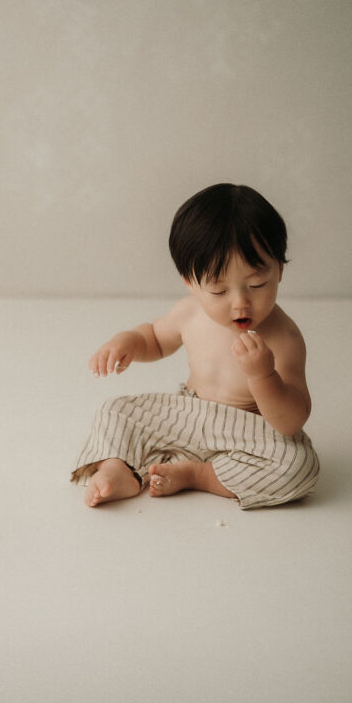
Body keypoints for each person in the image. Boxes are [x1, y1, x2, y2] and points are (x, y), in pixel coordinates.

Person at [71, 183, 319, 509]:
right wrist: (126, 342)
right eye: (219, 291)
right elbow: (155, 340)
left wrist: (263, 376)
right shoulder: (190, 313)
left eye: (257, 284)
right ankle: (120, 470)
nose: (240, 302)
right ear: (191, 283)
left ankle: (201, 475)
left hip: (246, 429)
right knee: (115, 410)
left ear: (280, 271)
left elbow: (291, 421)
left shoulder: (284, 337)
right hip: (186, 412)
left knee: (299, 464)